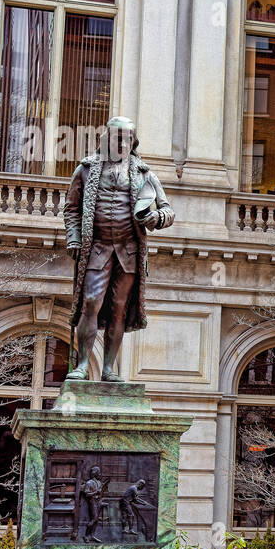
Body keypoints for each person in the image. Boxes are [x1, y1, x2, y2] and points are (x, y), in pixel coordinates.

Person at [63, 117, 174, 382]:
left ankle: (109, 369)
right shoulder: (86, 170)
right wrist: (74, 239)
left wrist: (156, 219)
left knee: (119, 309)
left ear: (133, 141)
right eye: (117, 137)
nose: (122, 142)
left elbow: (167, 210)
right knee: (90, 302)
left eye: (127, 137)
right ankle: (81, 366)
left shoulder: (146, 174)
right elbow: (71, 208)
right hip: (97, 248)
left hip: (128, 251)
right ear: (106, 140)